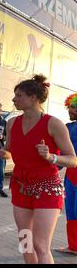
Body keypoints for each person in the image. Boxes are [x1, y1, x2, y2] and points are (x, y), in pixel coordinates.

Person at [0, 75, 77, 264]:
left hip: (47, 188)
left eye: (19, 95)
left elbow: (73, 160)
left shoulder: (54, 124)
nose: (14, 99)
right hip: (20, 186)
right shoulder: (12, 123)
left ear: (33, 97)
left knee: (41, 246)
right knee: (25, 242)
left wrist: (52, 157)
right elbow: (8, 153)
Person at [56, 93, 77, 255]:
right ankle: (74, 246)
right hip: (71, 176)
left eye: (74, 107)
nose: (70, 110)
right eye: (70, 106)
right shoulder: (68, 127)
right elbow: (60, 151)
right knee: (71, 211)